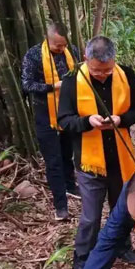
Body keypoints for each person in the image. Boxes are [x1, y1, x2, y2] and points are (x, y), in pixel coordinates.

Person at [58, 36, 135, 269]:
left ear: (114, 60)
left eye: (107, 70)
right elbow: (64, 119)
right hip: (90, 161)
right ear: (86, 59)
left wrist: (121, 119)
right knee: (90, 215)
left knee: (121, 207)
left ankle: (122, 246)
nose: (102, 75)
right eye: (97, 71)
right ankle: (82, 257)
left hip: (120, 156)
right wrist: (88, 122)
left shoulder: (126, 74)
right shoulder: (72, 80)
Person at [21, 22, 78, 221]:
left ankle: (70, 186)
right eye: (57, 45)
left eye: (64, 45)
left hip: (68, 111)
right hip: (45, 113)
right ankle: (60, 206)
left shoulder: (72, 52)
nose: (61, 49)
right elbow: (27, 84)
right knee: (53, 160)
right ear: (48, 38)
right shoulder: (34, 55)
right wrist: (53, 86)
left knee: (67, 154)